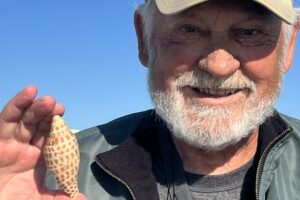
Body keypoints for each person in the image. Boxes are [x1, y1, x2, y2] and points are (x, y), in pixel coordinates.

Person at [0, 0, 299, 199]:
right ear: (144, 39)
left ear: (288, 46)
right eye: (189, 29)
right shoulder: (45, 178)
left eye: (249, 32)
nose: (219, 66)